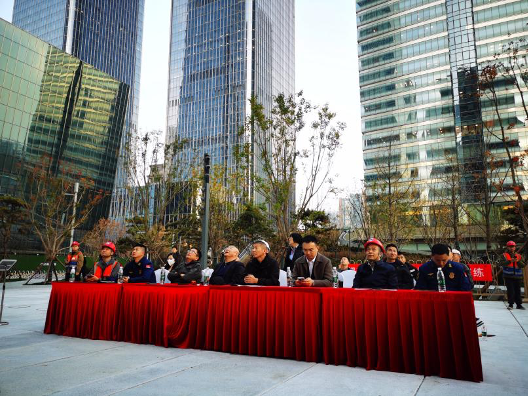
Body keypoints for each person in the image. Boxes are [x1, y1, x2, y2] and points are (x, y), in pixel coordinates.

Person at [497, 241, 526, 310]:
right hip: (508, 276)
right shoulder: (503, 255)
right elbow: (500, 263)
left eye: (513, 246)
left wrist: (517, 261)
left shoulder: (519, 256)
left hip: (518, 276)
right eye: (510, 247)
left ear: (515, 247)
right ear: (507, 247)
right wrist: (510, 261)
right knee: (511, 291)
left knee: (518, 291)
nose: (512, 248)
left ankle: (519, 305)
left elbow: (523, 265)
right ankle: (511, 304)